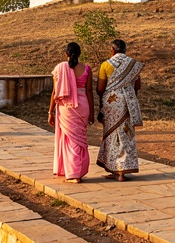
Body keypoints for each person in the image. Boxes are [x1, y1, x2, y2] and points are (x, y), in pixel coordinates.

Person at [96, 39, 143, 181]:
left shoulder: (106, 65)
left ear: (112, 49)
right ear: (125, 50)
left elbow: (100, 89)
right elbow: (138, 85)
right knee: (126, 134)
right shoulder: (132, 64)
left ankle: (116, 169)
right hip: (128, 102)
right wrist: (128, 94)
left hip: (111, 103)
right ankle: (123, 170)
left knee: (111, 135)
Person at [48, 42, 95, 183]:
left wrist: (50, 111)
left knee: (70, 140)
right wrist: (92, 112)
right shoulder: (86, 69)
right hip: (82, 106)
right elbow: (89, 91)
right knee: (79, 140)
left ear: (66, 54)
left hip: (66, 107)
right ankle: (77, 171)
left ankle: (73, 174)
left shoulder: (59, 68)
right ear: (79, 54)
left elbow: (55, 92)